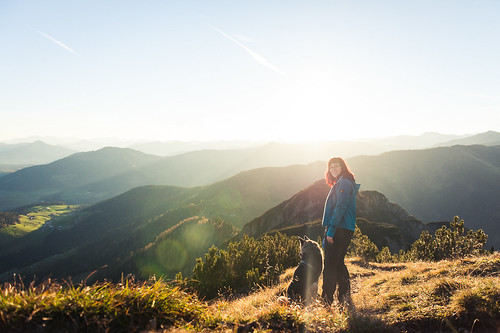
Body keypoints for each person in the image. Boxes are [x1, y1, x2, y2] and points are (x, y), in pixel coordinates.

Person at [321, 157, 360, 307]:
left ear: (342, 167)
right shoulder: (343, 182)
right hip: (344, 228)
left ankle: (326, 300)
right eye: (331, 167)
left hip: (339, 229)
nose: (333, 169)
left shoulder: (343, 183)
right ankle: (344, 296)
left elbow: (340, 208)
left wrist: (330, 232)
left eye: (336, 166)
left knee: (330, 265)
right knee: (338, 263)